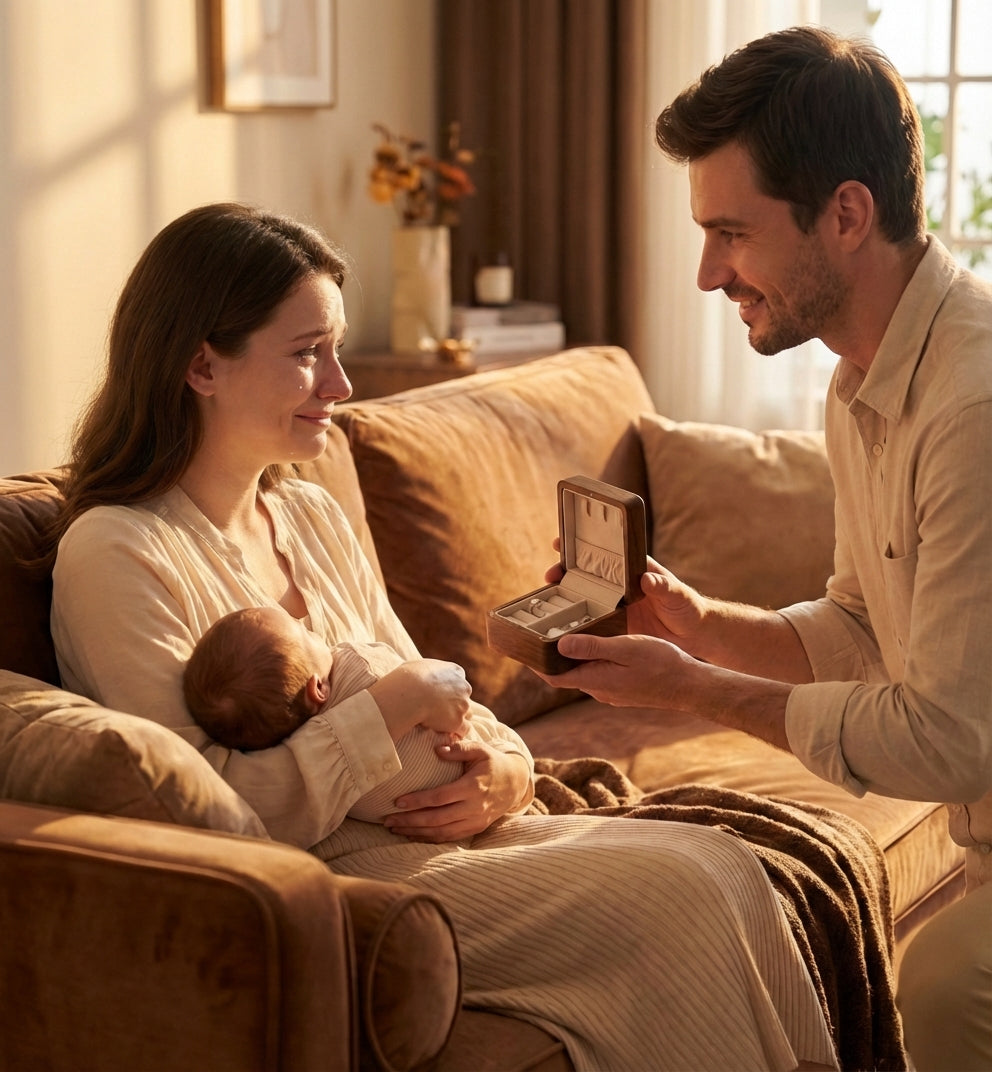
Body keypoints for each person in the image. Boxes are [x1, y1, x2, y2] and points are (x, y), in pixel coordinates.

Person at [45, 200, 839, 1072]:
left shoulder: (306, 513)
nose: (341, 386)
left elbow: (427, 677)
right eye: (308, 354)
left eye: (336, 350)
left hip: (437, 833)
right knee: (681, 892)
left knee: (727, 865)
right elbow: (218, 815)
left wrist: (507, 769)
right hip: (336, 880)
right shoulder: (117, 552)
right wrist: (382, 715)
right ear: (201, 364)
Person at [541, 26, 992, 1072]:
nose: (707, 273)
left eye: (731, 233)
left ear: (844, 214)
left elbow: (949, 739)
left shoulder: (969, 403)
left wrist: (696, 689)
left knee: (937, 985)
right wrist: (704, 627)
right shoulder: (860, 374)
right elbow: (857, 623)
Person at [182, 604, 480, 823]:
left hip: (409, 820)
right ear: (318, 689)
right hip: (468, 767)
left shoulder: (329, 788)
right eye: (303, 631)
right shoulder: (357, 664)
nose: (304, 622)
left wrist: (514, 768)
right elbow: (454, 689)